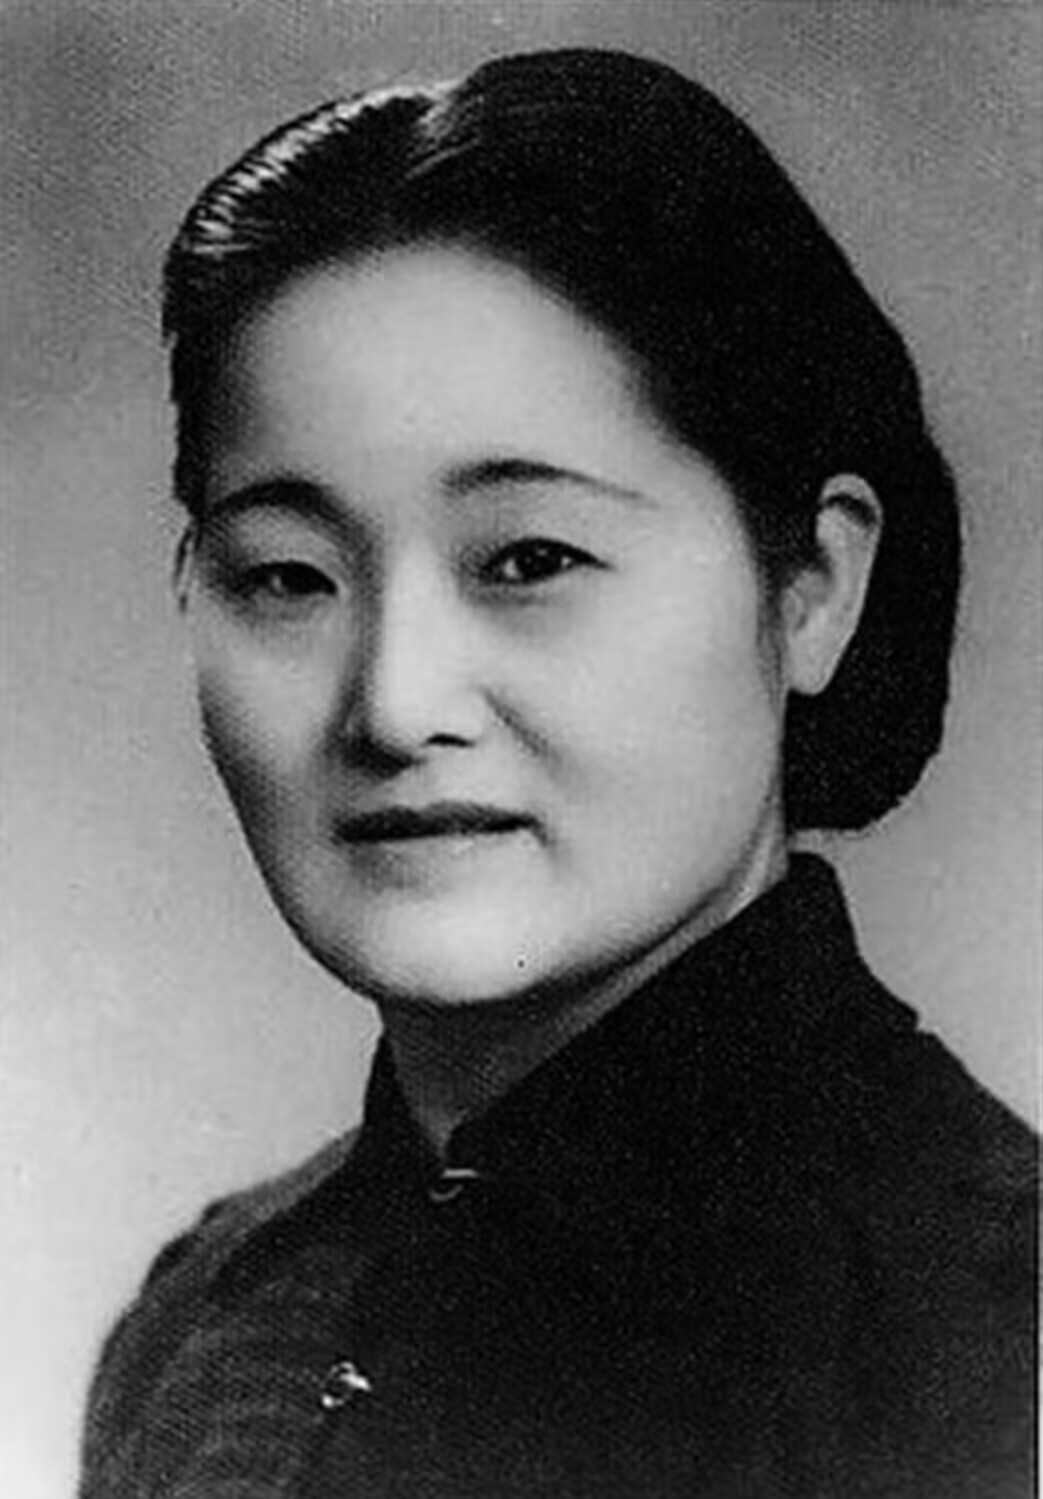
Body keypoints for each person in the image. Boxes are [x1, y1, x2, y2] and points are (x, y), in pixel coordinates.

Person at [78, 48, 1035, 1499]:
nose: (394, 703)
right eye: (287, 575)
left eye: (530, 559)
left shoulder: (992, 1334)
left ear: (813, 588)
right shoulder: (208, 1327)